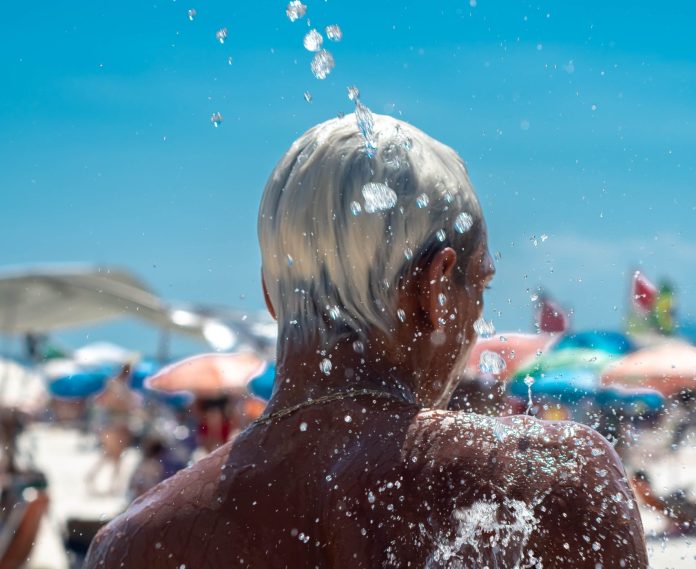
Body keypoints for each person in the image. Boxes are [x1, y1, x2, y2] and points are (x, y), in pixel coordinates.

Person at [86, 113, 647, 567]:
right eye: (479, 285)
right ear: (436, 289)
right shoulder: (550, 478)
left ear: (270, 296)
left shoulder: (133, 544)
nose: (478, 320)